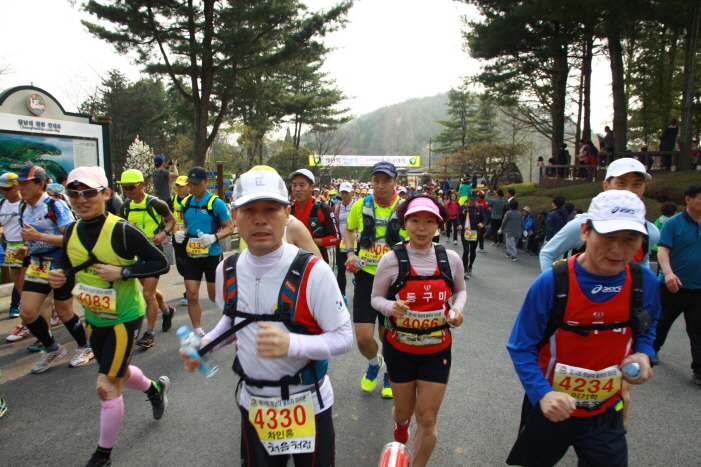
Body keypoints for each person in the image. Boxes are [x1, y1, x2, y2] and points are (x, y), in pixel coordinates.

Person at [180, 167, 352, 466]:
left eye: (270, 209)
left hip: (308, 403)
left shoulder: (314, 271)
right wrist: (205, 344)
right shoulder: (227, 270)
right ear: (234, 217)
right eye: (249, 210)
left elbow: (344, 338)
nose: (260, 219)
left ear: (287, 215)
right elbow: (234, 320)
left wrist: (292, 345)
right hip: (254, 404)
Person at [505, 190, 660, 467]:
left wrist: (643, 354)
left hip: (606, 410)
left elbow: (649, 325)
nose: (618, 249)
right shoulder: (553, 282)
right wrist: (543, 394)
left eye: (630, 239)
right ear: (586, 231)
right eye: (609, 237)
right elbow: (521, 346)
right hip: (551, 407)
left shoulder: (644, 281)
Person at [48, 166, 170, 467]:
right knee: (119, 371)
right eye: (73, 193)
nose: (80, 199)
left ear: (105, 193)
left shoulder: (122, 230)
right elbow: (68, 262)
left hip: (124, 318)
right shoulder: (71, 230)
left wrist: (124, 271)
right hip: (95, 316)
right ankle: (154, 388)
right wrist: (59, 275)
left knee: (106, 384)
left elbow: (159, 264)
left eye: (88, 192)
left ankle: (103, 455)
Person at [370, 195, 465, 467]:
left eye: (429, 221)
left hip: (437, 349)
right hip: (400, 349)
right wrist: (391, 308)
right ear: (405, 224)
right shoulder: (391, 260)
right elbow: (376, 299)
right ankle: (401, 425)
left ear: (438, 225)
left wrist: (457, 311)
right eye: (415, 221)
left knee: (427, 417)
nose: (421, 227)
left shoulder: (451, 259)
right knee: (403, 411)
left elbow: (460, 291)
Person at [15, 164, 95, 372]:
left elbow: (71, 238)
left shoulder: (55, 205)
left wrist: (38, 237)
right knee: (27, 313)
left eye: (24, 183)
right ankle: (52, 348)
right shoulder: (24, 207)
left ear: (40, 184)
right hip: (37, 264)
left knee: (64, 312)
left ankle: (85, 347)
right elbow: (32, 237)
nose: (20, 187)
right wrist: (25, 247)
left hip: (61, 264)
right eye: (18, 183)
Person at [344, 161, 407, 400]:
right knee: (362, 338)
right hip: (366, 278)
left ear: (395, 183)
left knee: (386, 336)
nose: (380, 186)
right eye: (376, 181)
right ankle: (374, 363)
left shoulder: (404, 208)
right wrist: (350, 253)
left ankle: (390, 374)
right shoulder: (360, 206)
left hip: (394, 281)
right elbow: (349, 230)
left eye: (386, 181)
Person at [540, 158, 661, 271]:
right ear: (606, 186)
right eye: (622, 183)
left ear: (644, 187)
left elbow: (643, 261)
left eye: (637, 184)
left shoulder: (650, 232)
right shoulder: (583, 224)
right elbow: (548, 253)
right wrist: (556, 285)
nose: (629, 190)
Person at [116, 169, 175, 348]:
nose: (127, 191)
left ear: (142, 185)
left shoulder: (156, 203)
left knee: (148, 294)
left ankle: (149, 333)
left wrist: (163, 233)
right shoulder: (125, 206)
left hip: (153, 253)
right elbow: (118, 228)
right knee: (150, 291)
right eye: (124, 187)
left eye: (131, 187)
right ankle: (166, 310)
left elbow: (171, 220)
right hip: (135, 255)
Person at [173, 166, 234, 336]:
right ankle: (198, 330)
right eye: (190, 184)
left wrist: (214, 237)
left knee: (215, 296)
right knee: (192, 294)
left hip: (211, 255)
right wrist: (182, 232)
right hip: (191, 254)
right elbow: (186, 223)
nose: (193, 187)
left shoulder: (216, 203)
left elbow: (230, 227)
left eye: (197, 183)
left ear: (206, 182)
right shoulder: (185, 203)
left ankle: (230, 322)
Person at [652, 182, 701, 385]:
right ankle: (651, 349)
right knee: (662, 322)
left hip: (698, 288)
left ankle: (699, 370)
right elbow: (663, 250)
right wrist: (669, 273)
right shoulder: (674, 223)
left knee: (698, 329)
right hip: (672, 286)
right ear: (688, 200)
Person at [1, 172, 33, 342]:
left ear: (15, 187)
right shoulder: (2, 204)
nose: (3, 192)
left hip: (26, 249)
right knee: (20, 289)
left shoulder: (25, 204)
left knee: (25, 289)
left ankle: (26, 324)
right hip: (10, 251)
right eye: (1, 189)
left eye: (6, 188)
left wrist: (27, 245)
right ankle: (49, 312)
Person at [289, 168, 340, 263]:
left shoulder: (323, 209)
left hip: (317, 262)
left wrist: (311, 243)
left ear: (312, 187)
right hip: (292, 261)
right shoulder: (288, 210)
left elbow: (336, 238)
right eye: (294, 185)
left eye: (302, 185)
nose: (297, 189)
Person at [168, 175, 190, 306]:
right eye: (177, 185)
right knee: (180, 264)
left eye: (181, 185)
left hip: (190, 237)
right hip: (177, 237)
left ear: (188, 186)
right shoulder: (171, 200)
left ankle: (189, 292)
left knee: (189, 265)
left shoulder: (192, 200)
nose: (179, 188)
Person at [333, 181, 355, 300]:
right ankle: (341, 295)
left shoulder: (357, 205)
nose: (344, 195)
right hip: (341, 242)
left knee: (356, 268)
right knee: (341, 269)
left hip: (355, 242)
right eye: (342, 192)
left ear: (352, 192)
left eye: (346, 192)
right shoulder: (337, 206)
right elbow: (334, 223)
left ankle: (358, 293)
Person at [458, 192, 485, 278]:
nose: (472, 201)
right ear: (468, 199)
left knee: (472, 251)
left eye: (474, 200)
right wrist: (459, 224)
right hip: (465, 232)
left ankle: (470, 266)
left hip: (475, 232)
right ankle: (464, 270)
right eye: (470, 199)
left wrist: (482, 224)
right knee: (466, 251)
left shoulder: (479, 208)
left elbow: (485, 218)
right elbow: (458, 217)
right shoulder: (463, 207)